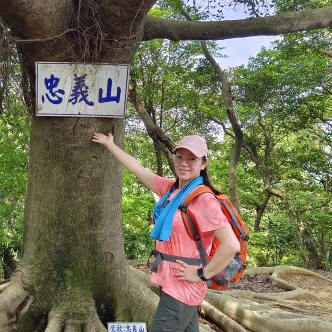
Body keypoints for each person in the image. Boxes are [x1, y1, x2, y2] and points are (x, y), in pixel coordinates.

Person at [92, 132, 240, 332]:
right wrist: (110, 144)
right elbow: (138, 169)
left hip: (183, 286)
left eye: (192, 158)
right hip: (169, 280)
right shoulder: (172, 189)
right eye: (180, 156)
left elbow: (231, 246)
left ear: (203, 164)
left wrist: (201, 274)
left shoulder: (204, 199)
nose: (184, 163)